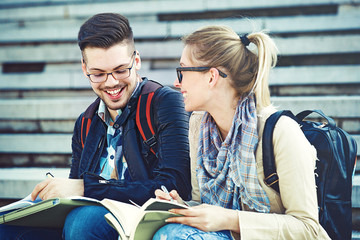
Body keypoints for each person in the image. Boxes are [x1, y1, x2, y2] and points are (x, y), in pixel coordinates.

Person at [0, 13, 191, 240]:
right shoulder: (85, 122)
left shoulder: (165, 102)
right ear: (84, 69)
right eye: (98, 74)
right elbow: (75, 192)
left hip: (144, 221)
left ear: (136, 60)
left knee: (83, 222)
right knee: (8, 230)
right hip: (87, 224)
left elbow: (175, 184)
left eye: (121, 70)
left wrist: (86, 188)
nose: (111, 82)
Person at [152, 25, 331, 239]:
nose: (176, 83)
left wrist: (231, 219)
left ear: (211, 77)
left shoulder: (281, 131)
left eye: (182, 71)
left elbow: (308, 228)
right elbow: (205, 206)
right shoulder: (198, 126)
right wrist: (184, 209)